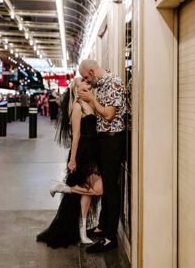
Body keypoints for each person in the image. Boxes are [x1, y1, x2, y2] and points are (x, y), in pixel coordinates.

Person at [37, 77, 102, 248]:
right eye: (84, 81)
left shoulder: (91, 104)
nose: (88, 83)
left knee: (88, 193)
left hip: (94, 151)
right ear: (76, 87)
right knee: (97, 190)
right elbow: (76, 136)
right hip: (83, 153)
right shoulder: (77, 106)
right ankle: (61, 188)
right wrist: (73, 159)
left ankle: (82, 232)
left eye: (88, 82)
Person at [79, 59, 127, 254]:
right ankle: (102, 226)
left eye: (86, 77)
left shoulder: (114, 83)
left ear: (91, 71)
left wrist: (91, 100)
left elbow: (108, 114)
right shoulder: (103, 84)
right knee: (106, 186)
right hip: (104, 140)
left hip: (113, 141)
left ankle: (110, 237)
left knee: (111, 188)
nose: (87, 81)